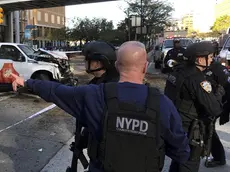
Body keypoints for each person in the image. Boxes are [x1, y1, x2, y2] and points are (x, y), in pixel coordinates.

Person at [11, 41, 190, 172]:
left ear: (118, 66)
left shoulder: (95, 95)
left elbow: (56, 91)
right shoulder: (162, 103)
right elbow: (182, 152)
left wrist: (26, 82)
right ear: (145, 67)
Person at [164, 41, 223, 172]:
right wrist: (218, 94)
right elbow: (214, 109)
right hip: (190, 131)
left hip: (175, 126)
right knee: (189, 164)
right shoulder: (197, 79)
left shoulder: (177, 71)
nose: (212, 60)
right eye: (211, 57)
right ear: (200, 58)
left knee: (177, 163)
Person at [67, 41, 120, 171]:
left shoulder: (109, 87)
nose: (85, 62)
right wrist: (82, 142)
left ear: (99, 62)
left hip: (107, 158)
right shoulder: (97, 82)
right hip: (97, 153)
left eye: (88, 60)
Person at [203, 61, 230, 167]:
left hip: (216, 104)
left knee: (208, 129)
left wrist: (225, 111)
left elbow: (227, 88)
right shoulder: (205, 67)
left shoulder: (217, 68)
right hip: (210, 103)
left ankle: (219, 157)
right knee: (208, 129)